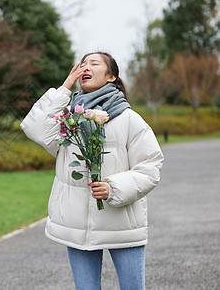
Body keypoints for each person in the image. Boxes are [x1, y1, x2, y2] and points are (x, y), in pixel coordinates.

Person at [20, 52, 164, 290]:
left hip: (123, 226)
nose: (85, 67)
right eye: (82, 63)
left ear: (111, 76)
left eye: (93, 63)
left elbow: (151, 167)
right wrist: (64, 87)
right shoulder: (68, 119)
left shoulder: (130, 119)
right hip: (78, 229)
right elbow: (34, 127)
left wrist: (113, 188)